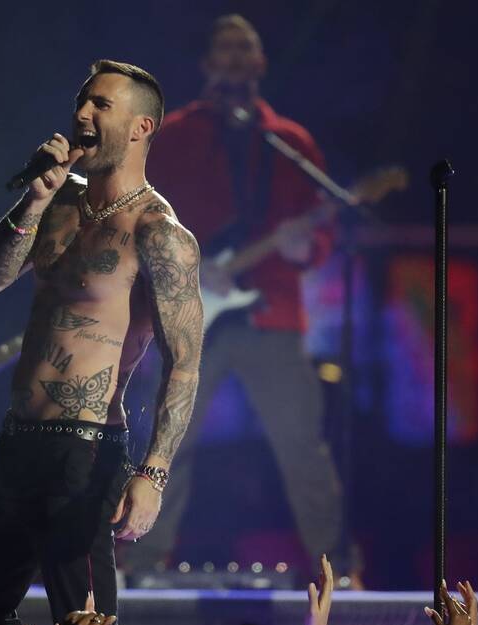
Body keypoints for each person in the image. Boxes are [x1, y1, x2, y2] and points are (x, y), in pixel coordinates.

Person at [0, 60, 204, 625]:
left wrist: (154, 471)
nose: (83, 115)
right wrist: (34, 198)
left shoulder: (160, 232)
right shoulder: (59, 202)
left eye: (101, 105)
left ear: (142, 126)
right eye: (81, 102)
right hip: (18, 442)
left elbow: (185, 363)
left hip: (86, 450)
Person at [140, 14, 355, 584]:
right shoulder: (176, 136)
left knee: (302, 448)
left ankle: (338, 576)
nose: (235, 59)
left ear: (261, 63)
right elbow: (144, 218)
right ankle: (136, 566)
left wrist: (306, 245)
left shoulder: (291, 142)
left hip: (272, 312)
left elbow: (323, 231)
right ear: (208, 63)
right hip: (191, 310)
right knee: (166, 441)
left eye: (246, 49)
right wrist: (190, 266)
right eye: (225, 49)